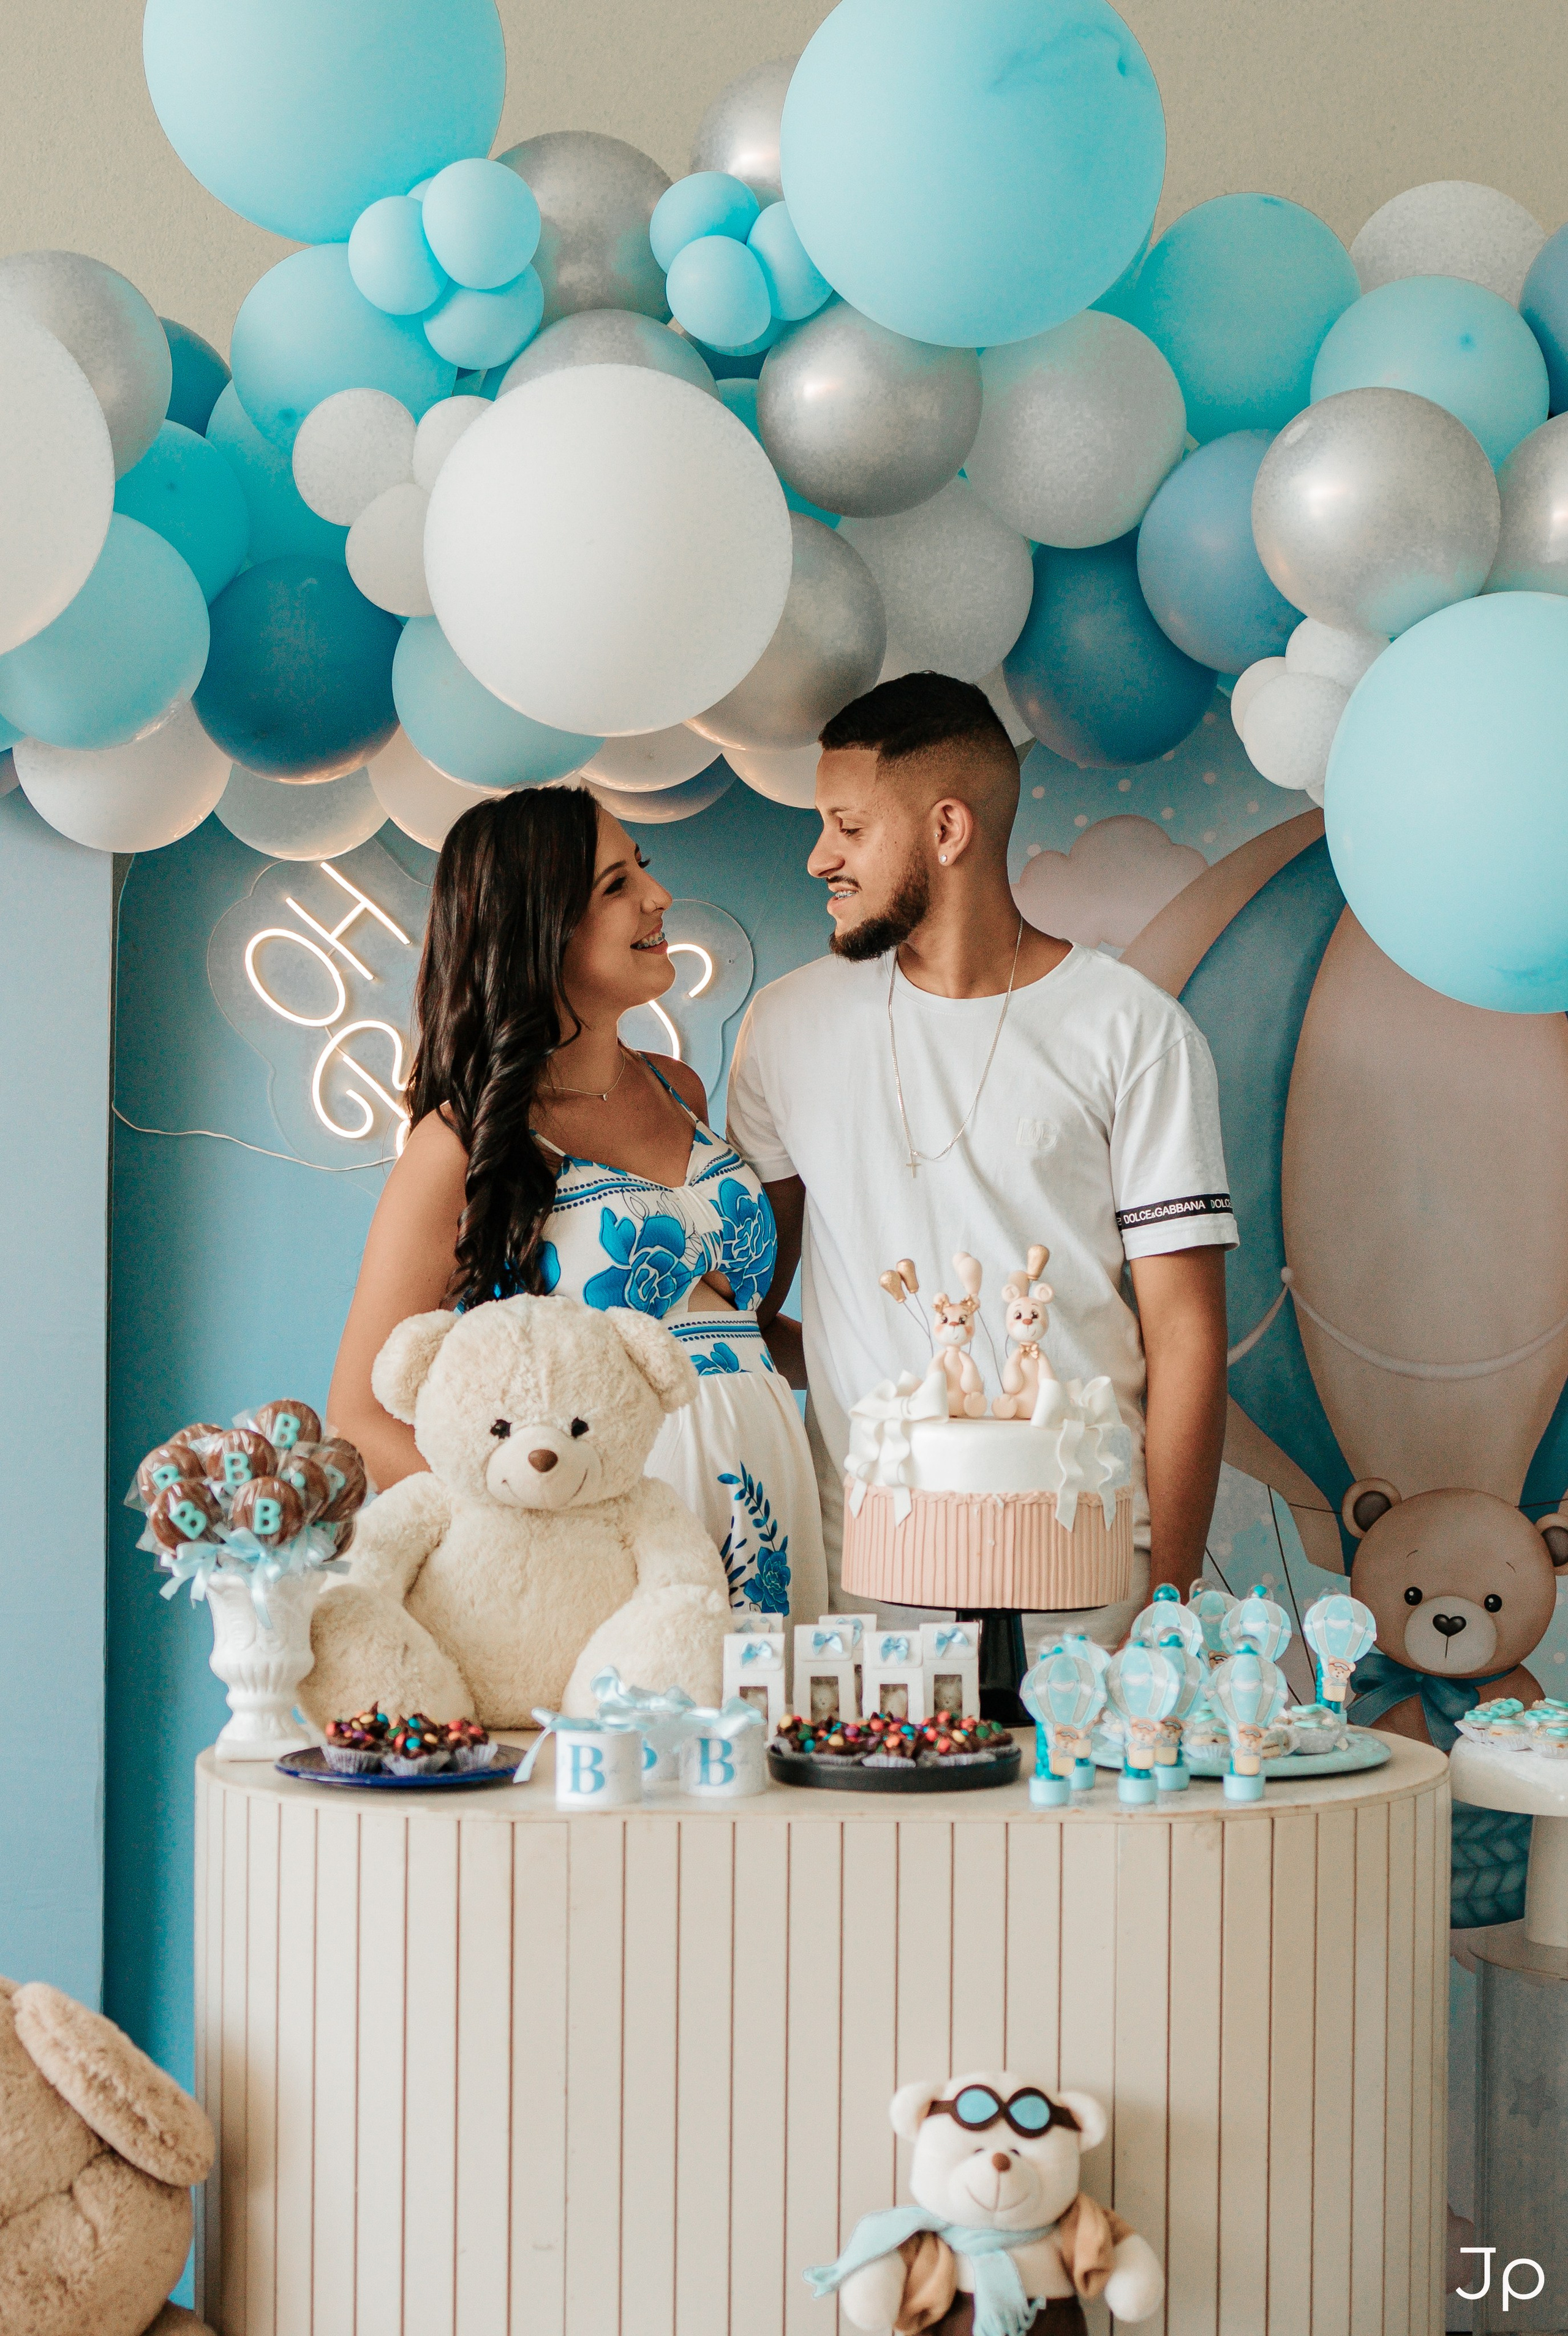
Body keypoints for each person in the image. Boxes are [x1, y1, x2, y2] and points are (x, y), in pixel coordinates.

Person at [725, 671, 1235, 1648]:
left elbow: (1185, 1339)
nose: (818, 856)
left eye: (847, 826)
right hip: (858, 1583)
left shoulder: (1134, 1032)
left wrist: (1166, 1603)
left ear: (947, 830)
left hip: (1087, 1583)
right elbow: (747, 1304)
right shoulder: (786, 1026)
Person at [327, 782, 827, 1628]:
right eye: (615, 885)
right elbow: (360, 1410)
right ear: (538, 927)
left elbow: (717, 1327)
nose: (657, 897)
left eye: (643, 869)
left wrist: (889, 1361)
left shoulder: (680, 1088)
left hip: (768, 1497)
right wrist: (530, 1528)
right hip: (598, 1540)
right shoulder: (459, 1143)